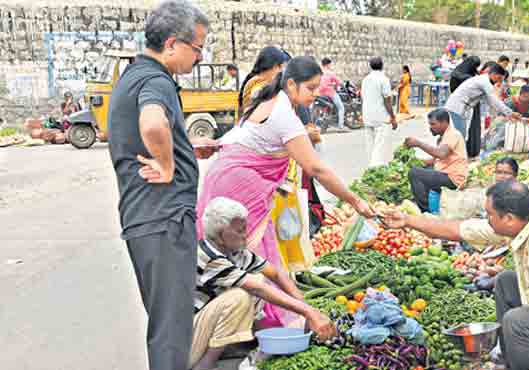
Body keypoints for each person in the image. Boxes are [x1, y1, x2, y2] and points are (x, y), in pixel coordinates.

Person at [197, 56, 374, 326]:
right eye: (311, 88)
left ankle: (241, 317)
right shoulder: (283, 114)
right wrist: (354, 200)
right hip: (241, 183)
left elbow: (240, 138)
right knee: (257, 249)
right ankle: (267, 320)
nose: (316, 95)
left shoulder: (269, 103)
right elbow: (317, 169)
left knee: (236, 252)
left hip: (226, 177)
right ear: (291, 84)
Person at [381, 181, 529, 370]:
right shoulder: (525, 222)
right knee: (506, 281)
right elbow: (458, 230)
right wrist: (407, 220)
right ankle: (512, 358)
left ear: (508, 218)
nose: (486, 219)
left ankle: (528, 364)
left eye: (489, 214)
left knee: (516, 322)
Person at [106, 1, 208, 369]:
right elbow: (151, 123)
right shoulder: (156, 80)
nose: (199, 57)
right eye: (197, 48)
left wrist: (182, 151)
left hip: (146, 219)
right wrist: (167, 165)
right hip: (164, 220)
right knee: (172, 330)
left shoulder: (132, 76)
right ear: (171, 44)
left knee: (166, 323)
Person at [189, 197, 336, 370]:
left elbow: (274, 273)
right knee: (241, 295)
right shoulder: (208, 256)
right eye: (240, 231)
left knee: (256, 278)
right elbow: (258, 289)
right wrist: (309, 312)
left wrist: (307, 310)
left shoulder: (235, 251)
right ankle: (206, 363)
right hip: (188, 337)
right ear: (221, 236)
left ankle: (246, 343)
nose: (246, 234)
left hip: (206, 326)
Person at [404, 108, 467, 212]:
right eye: (430, 124)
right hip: (444, 174)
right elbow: (434, 160)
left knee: (414, 173)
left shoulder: (453, 134)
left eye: (433, 124)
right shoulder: (442, 138)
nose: (430, 128)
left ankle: (425, 211)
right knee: (418, 169)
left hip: (453, 179)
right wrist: (413, 161)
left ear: (444, 123)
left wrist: (418, 143)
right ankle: (428, 205)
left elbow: (441, 154)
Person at [445, 63, 520, 140]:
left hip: (463, 108)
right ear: (494, 74)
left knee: (461, 135)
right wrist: (510, 113)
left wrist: (507, 114)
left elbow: (491, 102)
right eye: (499, 78)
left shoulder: (485, 81)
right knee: (459, 136)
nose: (499, 82)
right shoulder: (485, 82)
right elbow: (494, 101)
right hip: (456, 107)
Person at [361, 56, 397, 168]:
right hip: (381, 117)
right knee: (380, 148)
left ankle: (370, 168)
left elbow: (363, 97)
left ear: (370, 66)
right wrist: (393, 117)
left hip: (367, 116)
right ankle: (375, 169)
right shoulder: (383, 79)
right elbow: (387, 100)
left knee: (370, 146)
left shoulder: (365, 80)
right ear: (382, 66)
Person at [238, 46, 290, 116]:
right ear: (272, 65)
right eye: (280, 67)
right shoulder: (257, 85)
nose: (281, 71)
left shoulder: (261, 81)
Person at [319, 57, 347, 132]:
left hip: (320, 92)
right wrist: (343, 86)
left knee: (327, 107)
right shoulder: (330, 73)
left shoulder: (319, 72)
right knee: (341, 107)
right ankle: (341, 127)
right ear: (328, 65)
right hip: (329, 92)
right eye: (330, 64)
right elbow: (339, 82)